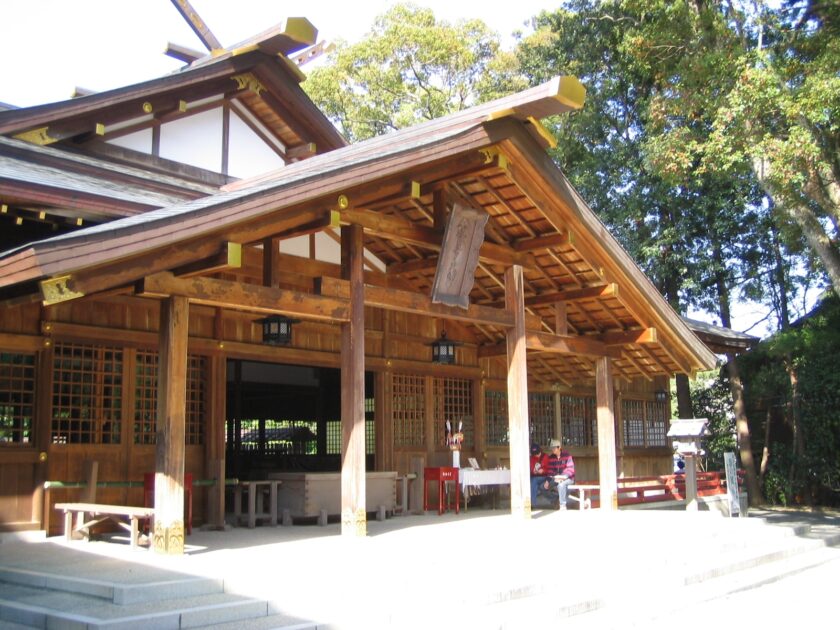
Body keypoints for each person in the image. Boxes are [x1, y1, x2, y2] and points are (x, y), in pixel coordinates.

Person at [542, 438, 575, 510]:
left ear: (559, 447)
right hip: (556, 479)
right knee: (543, 487)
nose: (552, 449)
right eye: (552, 448)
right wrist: (547, 481)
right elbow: (550, 471)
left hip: (568, 479)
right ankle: (555, 500)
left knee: (561, 485)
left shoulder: (567, 456)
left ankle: (562, 505)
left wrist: (563, 477)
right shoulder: (551, 457)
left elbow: (570, 470)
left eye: (554, 448)